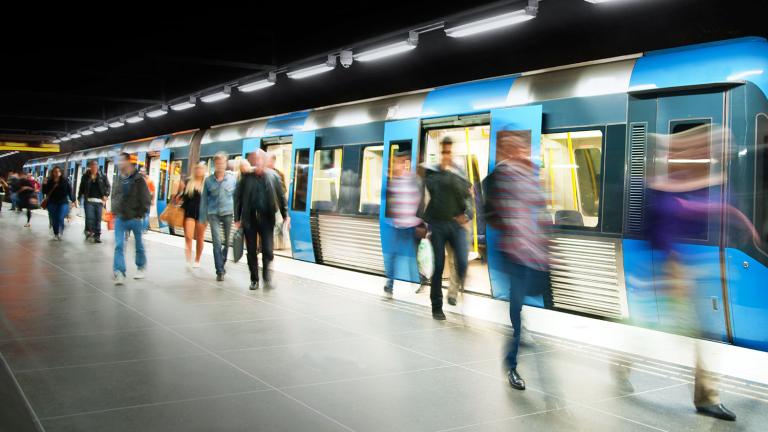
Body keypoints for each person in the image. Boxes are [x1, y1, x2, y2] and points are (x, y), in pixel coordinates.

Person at [485, 130, 551, 392]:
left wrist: (546, 242)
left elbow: (541, 209)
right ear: (505, 150)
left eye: (522, 147)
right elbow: (491, 213)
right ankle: (511, 364)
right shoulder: (496, 178)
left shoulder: (531, 176)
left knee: (525, 297)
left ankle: (519, 327)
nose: (519, 152)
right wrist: (511, 231)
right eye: (513, 147)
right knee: (516, 304)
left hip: (533, 251)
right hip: (513, 252)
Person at [422, 137, 471, 320]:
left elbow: (467, 194)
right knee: (440, 265)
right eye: (444, 152)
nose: (447, 155)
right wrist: (444, 171)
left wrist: (466, 215)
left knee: (462, 262)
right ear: (441, 152)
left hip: (455, 223)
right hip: (437, 224)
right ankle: (437, 306)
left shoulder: (459, 172)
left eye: (449, 152)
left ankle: (456, 293)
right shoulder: (432, 171)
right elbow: (432, 190)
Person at [235, 149, 289, 290]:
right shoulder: (246, 178)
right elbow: (238, 198)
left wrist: (286, 215)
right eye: (256, 160)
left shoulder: (273, 176)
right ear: (253, 162)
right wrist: (237, 218)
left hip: (267, 218)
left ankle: (266, 278)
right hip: (249, 218)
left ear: (265, 162)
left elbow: (281, 197)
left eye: (261, 160)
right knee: (251, 251)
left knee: (268, 250)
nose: (259, 163)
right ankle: (254, 279)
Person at [383, 150, 422, 298]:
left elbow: (421, 202)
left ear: (404, 163)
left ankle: (418, 281)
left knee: (414, 257)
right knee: (393, 256)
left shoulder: (414, 180)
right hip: (398, 227)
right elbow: (393, 204)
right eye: (394, 162)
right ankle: (389, 285)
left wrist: (421, 223)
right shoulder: (393, 183)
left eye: (398, 162)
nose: (396, 165)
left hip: (413, 227)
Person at [111, 152, 151, 284]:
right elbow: (115, 195)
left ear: (128, 162)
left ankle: (141, 267)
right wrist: (114, 211)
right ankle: (119, 272)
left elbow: (145, 197)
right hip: (121, 217)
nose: (119, 163)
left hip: (135, 217)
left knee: (138, 245)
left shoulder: (139, 179)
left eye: (121, 161)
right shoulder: (118, 178)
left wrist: (141, 213)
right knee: (119, 245)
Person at [200, 152, 237, 281]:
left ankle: (223, 260)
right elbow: (204, 199)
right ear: (214, 164)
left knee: (227, 242)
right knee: (216, 242)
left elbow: (237, 199)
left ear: (225, 163)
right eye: (218, 163)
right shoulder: (208, 180)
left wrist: (238, 216)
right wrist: (202, 218)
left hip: (228, 213)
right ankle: (219, 270)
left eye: (222, 163)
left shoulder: (232, 179)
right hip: (213, 213)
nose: (220, 165)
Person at [176, 162, 207, 269]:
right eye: (197, 168)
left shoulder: (207, 183)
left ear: (204, 170)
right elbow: (182, 197)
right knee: (188, 237)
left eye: (201, 169)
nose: (199, 170)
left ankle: (197, 259)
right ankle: (188, 260)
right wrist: (179, 192)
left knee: (200, 237)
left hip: (202, 214)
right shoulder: (188, 181)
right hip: (189, 212)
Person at [78, 160, 111, 243]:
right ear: (90, 167)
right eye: (92, 166)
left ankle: (97, 236)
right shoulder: (85, 176)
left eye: (95, 166)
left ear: (97, 166)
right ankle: (89, 230)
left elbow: (108, 186)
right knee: (90, 218)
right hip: (88, 200)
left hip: (99, 201)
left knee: (98, 219)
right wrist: (78, 198)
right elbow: (81, 188)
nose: (94, 167)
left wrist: (106, 195)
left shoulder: (102, 175)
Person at [42, 166, 77, 240]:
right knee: (54, 219)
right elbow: (45, 192)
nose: (57, 173)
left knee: (60, 217)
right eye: (55, 171)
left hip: (63, 202)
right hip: (52, 202)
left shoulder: (65, 181)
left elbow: (69, 191)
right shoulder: (49, 181)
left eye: (58, 171)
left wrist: (73, 200)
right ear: (53, 173)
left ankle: (60, 231)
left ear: (61, 173)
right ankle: (56, 234)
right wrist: (44, 184)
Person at [140, 167, 155, 232]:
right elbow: (153, 191)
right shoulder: (149, 180)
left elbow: (153, 191)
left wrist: (152, 200)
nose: (141, 172)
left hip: (143, 200)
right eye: (141, 171)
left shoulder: (140, 180)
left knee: (144, 215)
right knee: (145, 215)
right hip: (145, 200)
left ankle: (143, 229)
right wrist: (152, 200)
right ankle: (144, 229)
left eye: (142, 171)